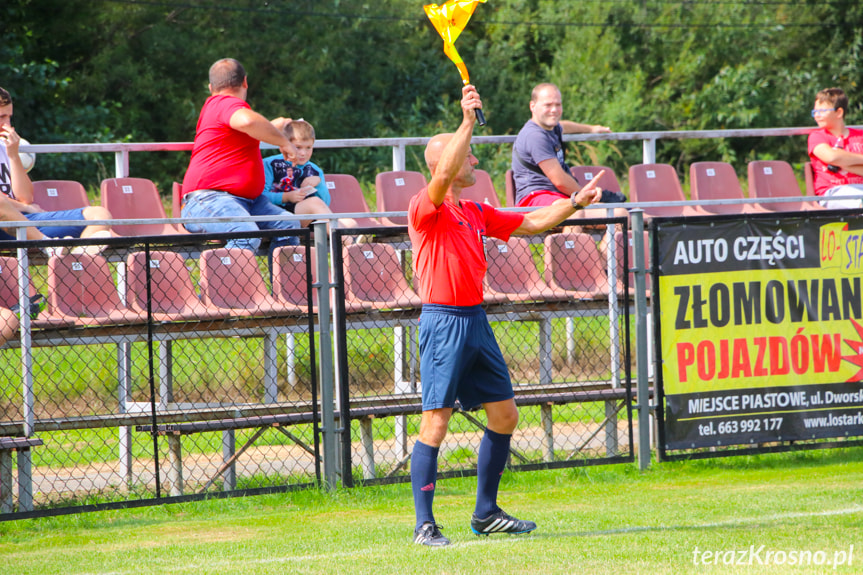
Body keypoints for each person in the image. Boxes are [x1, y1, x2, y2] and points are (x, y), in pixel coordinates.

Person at [408, 84, 604, 547]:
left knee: (506, 416)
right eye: (468, 157)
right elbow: (444, 173)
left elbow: (532, 223)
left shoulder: (475, 210)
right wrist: (467, 121)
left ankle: (485, 513)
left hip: (475, 319)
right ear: (445, 167)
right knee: (435, 422)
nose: (474, 162)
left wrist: (574, 203)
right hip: (443, 322)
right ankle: (424, 525)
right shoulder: (426, 206)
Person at [180, 59, 300, 254]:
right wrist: (284, 142)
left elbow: (247, 127)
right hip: (209, 200)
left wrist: (274, 126)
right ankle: (221, 285)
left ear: (211, 87)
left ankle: (283, 285)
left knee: (288, 225)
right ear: (245, 82)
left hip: (249, 202)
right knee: (245, 234)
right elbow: (246, 121)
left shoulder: (221, 109)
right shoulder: (223, 103)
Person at [0, 86, 113, 249]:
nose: (7, 124)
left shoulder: (6, 147)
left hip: (23, 222)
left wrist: (13, 155)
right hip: (5, 225)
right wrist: (27, 208)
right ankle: (48, 247)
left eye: (9, 117)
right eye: (2, 117)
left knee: (100, 215)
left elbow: (25, 197)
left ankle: (74, 265)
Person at [512, 83, 627, 217]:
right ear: (533, 106)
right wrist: (586, 196)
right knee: (576, 214)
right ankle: (570, 238)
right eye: (548, 105)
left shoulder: (552, 127)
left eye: (558, 105)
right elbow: (560, 181)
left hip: (559, 198)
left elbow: (564, 126)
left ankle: (578, 239)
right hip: (535, 199)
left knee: (620, 214)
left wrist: (591, 129)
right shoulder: (535, 136)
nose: (554, 110)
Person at [261, 119, 340, 227]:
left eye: (308, 148)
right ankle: (347, 242)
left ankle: (352, 241)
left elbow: (325, 204)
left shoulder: (315, 170)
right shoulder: (270, 164)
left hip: (308, 217)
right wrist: (286, 197)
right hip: (278, 214)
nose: (303, 153)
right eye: (298, 147)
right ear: (285, 145)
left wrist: (319, 184)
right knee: (314, 203)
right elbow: (261, 197)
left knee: (351, 223)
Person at [807, 87, 863, 210]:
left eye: (822, 111)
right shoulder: (817, 136)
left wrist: (844, 163)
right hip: (833, 192)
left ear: (839, 112)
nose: (817, 116)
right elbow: (831, 157)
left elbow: (836, 159)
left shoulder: (860, 136)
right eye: (815, 112)